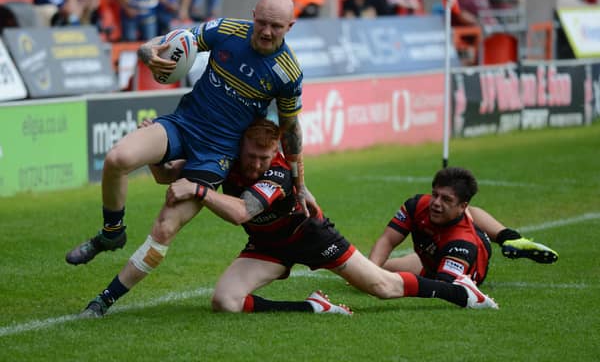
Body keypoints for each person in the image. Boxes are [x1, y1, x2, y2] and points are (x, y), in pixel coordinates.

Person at [80, 119, 498, 317]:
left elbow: (241, 211)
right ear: (241, 146)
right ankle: (313, 307)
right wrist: (156, 157)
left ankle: (460, 293)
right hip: (266, 246)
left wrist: (200, 190)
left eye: (267, 156)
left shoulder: (279, 172)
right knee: (224, 302)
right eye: (254, 156)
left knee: (384, 287)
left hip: (310, 237)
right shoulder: (227, 159)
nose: (260, 163)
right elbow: (166, 177)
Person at [65, 0, 318, 267]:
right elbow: (169, 41)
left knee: (165, 227)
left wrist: (300, 183)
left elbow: (291, 131)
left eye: (277, 26)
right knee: (117, 159)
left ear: (290, 27)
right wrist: (148, 52)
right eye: (262, 23)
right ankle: (112, 233)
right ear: (253, 15)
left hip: (217, 154)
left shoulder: (288, 73)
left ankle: (104, 302)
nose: (267, 32)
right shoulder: (226, 30)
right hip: (183, 125)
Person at [369, 167, 559, 287]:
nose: (435, 202)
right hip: (430, 257)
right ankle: (510, 238)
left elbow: (442, 286)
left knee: (392, 279)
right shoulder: (418, 204)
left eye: (446, 199)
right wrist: (371, 273)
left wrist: (388, 285)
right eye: (435, 194)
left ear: (462, 204)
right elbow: (387, 240)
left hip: (465, 263)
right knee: (372, 269)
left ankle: (508, 237)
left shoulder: (463, 243)